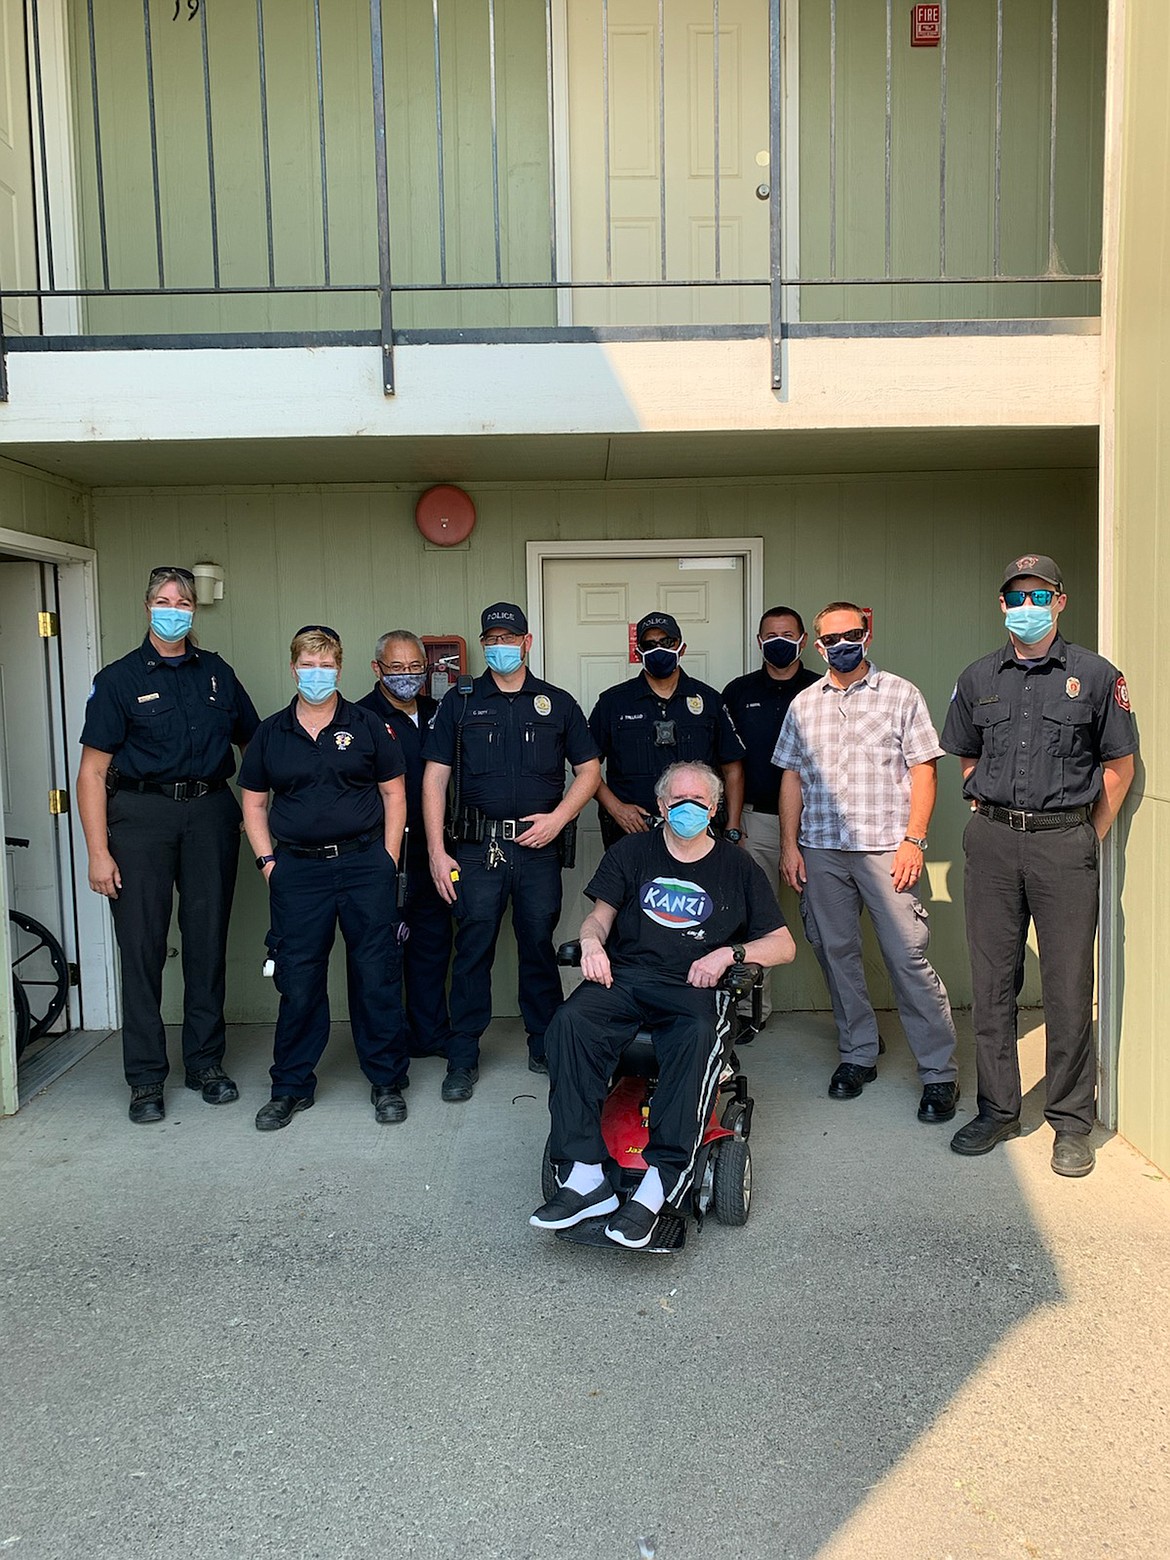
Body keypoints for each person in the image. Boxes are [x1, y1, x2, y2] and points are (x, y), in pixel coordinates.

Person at [529, 761, 795, 1249]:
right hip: (627, 978)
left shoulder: (738, 867)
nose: (688, 809)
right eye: (678, 801)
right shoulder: (632, 852)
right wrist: (590, 944)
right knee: (569, 1022)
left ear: (714, 808)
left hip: (696, 987)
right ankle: (585, 1177)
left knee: (694, 1038)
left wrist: (731, 953)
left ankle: (658, 1186)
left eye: (699, 802)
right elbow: (598, 919)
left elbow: (782, 944)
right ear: (660, 806)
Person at [941, 554, 1138, 1177]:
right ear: (1002, 605)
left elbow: (1119, 767)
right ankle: (998, 1110)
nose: (1027, 607)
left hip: (1064, 846)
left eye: (1039, 595)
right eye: (1015, 596)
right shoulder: (977, 677)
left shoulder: (1097, 676)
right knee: (993, 982)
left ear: (1060, 600)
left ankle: (1071, 1122)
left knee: (1068, 986)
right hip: (994, 843)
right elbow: (967, 761)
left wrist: (1085, 836)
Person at [77, 565, 260, 1125]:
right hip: (140, 819)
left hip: (209, 813)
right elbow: (91, 773)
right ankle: (145, 1078)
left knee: (205, 942)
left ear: (194, 610)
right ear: (148, 605)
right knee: (142, 949)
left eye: (182, 600)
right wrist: (98, 851)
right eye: (163, 599)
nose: (174, 608)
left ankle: (205, 1064)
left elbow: (257, 742)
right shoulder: (118, 680)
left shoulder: (217, 674)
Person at [775, 601, 960, 1121]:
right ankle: (858, 1054)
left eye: (851, 634)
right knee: (836, 953)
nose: (842, 645)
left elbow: (925, 770)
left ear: (867, 634)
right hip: (822, 848)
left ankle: (939, 1073)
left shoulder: (901, 694)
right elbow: (791, 776)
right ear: (819, 646)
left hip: (886, 849)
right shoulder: (804, 705)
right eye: (831, 639)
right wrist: (790, 845)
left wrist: (914, 840)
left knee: (907, 958)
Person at [422, 602, 601, 1100]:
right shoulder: (459, 703)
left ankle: (544, 1043)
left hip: (536, 848)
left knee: (537, 948)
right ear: (484, 644)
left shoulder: (557, 703)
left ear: (527, 642)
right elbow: (434, 778)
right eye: (492, 638)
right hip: (476, 850)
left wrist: (560, 818)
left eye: (509, 637)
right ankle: (462, 1055)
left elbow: (589, 771)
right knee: (473, 950)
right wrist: (438, 851)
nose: (500, 646)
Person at [239, 625, 409, 1130]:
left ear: (340, 667)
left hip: (364, 866)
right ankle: (290, 1086)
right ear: (293, 669)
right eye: (308, 665)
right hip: (298, 870)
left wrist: (388, 860)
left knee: (375, 975)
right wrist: (268, 862)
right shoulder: (271, 733)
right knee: (299, 979)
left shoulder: (369, 725)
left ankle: (386, 1082)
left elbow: (394, 794)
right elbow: (253, 803)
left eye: (327, 664)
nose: (318, 674)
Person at [356, 630, 453, 1062]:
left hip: (433, 852)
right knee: (382, 954)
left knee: (432, 946)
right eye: (397, 668)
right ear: (378, 669)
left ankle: (429, 1035)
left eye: (415, 667)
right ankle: (387, 1044)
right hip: (382, 855)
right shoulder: (359, 718)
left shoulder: (440, 712)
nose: (407, 676)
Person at [721, 605, 820, 1022]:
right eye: (771, 635)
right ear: (759, 641)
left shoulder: (822, 689)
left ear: (801, 640)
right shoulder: (738, 693)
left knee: (826, 922)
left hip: (818, 825)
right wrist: (734, 825)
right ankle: (748, 1011)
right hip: (756, 823)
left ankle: (854, 1023)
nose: (779, 642)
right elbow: (729, 765)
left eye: (787, 634)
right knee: (751, 919)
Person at [588, 611, 745, 849]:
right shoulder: (613, 702)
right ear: (638, 652)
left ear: (681, 648)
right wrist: (615, 808)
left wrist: (732, 825)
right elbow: (586, 767)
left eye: (666, 642)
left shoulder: (709, 700)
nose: (658, 649)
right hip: (632, 831)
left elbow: (733, 768)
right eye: (649, 644)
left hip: (698, 832)